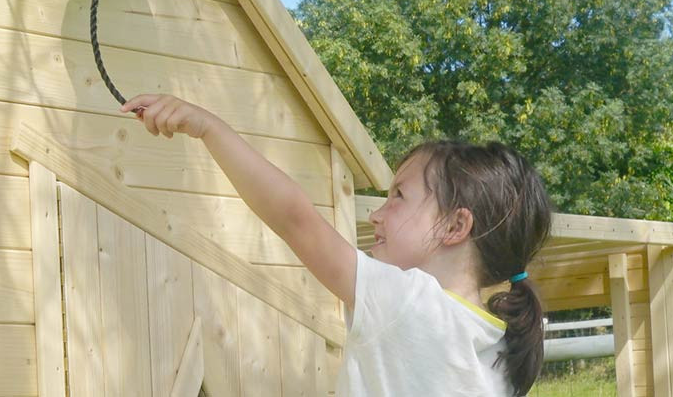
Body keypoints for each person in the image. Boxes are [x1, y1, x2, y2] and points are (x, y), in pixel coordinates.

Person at [121, 93, 552, 397]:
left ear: (455, 226)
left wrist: (208, 127)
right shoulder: (499, 347)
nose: (375, 214)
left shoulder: (408, 304)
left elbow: (295, 218)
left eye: (398, 196)